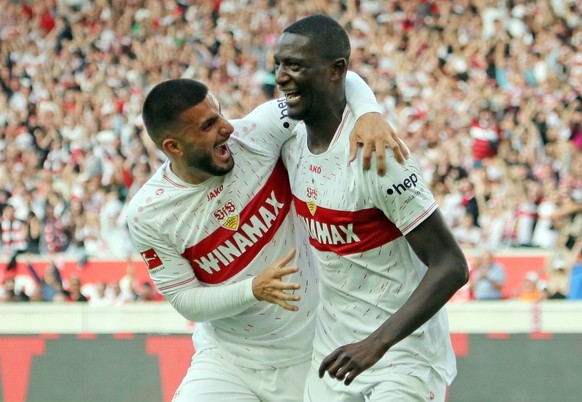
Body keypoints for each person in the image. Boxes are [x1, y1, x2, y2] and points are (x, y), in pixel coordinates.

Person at [127, 73, 407, 401]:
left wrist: (369, 113)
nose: (227, 127)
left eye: (219, 113)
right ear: (173, 147)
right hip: (228, 360)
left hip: (311, 353)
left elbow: (331, 82)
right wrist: (253, 289)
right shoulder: (149, 214)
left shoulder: (256, 132)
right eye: (208, 125)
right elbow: (187, 302)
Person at [276, 15, 469, 401]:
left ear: (336, 70)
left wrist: (376, 344)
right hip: (333, 354)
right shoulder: (287, 138)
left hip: (403, 357)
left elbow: (451, 265)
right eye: (278, 64)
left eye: (295, 65)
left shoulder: (377, 155)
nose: (281, 77)